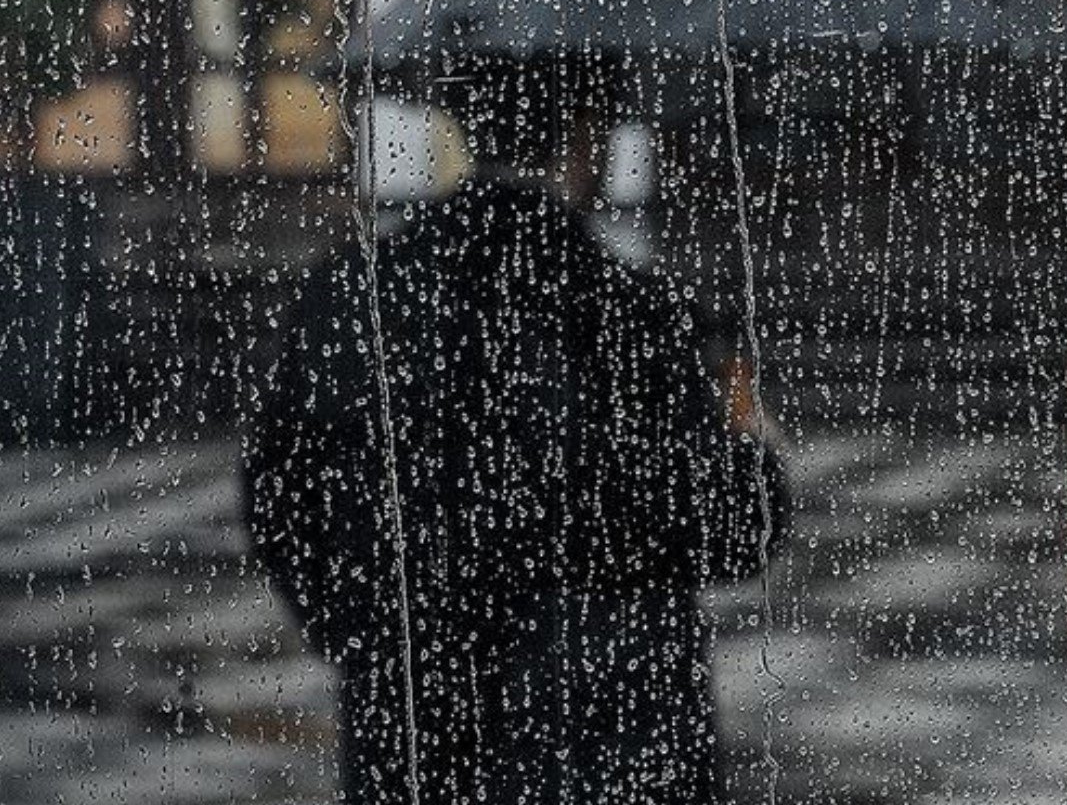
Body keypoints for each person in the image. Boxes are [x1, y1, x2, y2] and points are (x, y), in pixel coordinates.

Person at [243, 60, 787, 805]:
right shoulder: (630, 312)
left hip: (415, 715)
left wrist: (369, 644)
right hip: (616, 730)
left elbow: (280, 502)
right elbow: (731, 529)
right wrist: (745, 431)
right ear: (583, 136)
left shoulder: (350, 299)